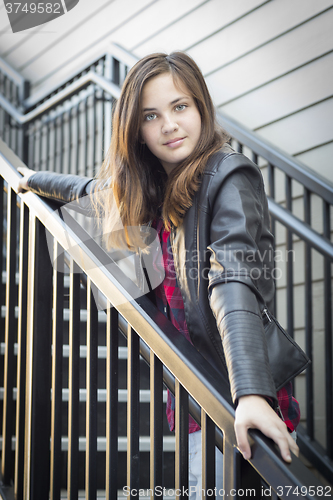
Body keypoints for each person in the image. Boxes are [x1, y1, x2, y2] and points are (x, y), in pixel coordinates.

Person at [18, 52, 300, 497]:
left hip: (235, 392)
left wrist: (250, 393)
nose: (169, 124)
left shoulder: (228, 174)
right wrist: (30, 179)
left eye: (180, 106)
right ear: (137, 132)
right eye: (152, 115)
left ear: (202, 109)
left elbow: (233, 278)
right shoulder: (148, 189)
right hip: (192, 390)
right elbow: (88, 191)